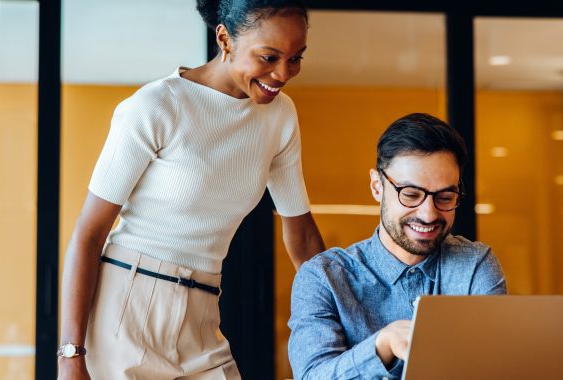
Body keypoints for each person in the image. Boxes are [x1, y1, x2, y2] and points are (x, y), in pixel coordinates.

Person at [57, 1, 325, 379]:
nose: (283, 73)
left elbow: (302, 235)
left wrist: (339, 317)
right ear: (224, 38)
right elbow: (89, 233)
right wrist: (70, 357)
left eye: (296, 58)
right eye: (269, 57)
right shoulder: (156, 106)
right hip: (126, 307)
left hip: (203, 309)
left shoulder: (280, 116)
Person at [287, 113, 507, 379]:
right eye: (411, 195)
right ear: (377, 186)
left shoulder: (474, 265)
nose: (428, 214)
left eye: (445, 197)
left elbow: (492, 369)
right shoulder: (323, 277)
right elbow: (312, 376)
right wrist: (382, 345)